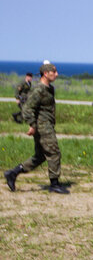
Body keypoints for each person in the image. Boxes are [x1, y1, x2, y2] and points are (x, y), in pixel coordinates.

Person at [4, 62, 68, 194]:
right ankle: (54, 184)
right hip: (43, 127)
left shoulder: (49, 88)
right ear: (46, 73)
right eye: (54, 72)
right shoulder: (39, 90)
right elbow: (27, 108)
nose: (57, 74)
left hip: (47, 125)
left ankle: (13, 173)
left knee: (40, 156)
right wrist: (32, 125)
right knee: (54, 153)